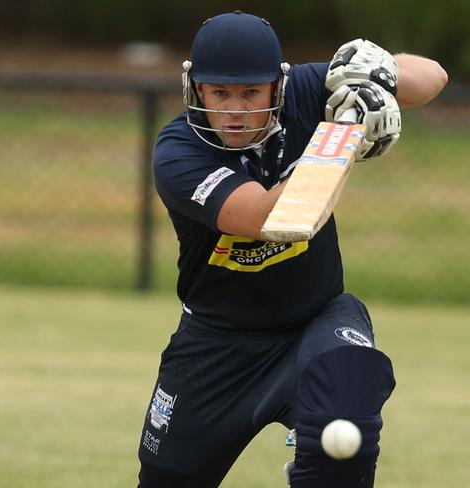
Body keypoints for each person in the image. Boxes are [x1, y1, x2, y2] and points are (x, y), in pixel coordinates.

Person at [137, 11, 447, 488]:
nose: (235, 110)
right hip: (217, 342)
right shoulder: (177, 151)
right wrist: (342, 136)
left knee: (347, 401)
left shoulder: (303, 91)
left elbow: (432, 79)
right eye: (219, 93)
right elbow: (267, 219)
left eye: (250, 93)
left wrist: (377, 70)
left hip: (314, 320)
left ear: (276, 86)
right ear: (196, 90)